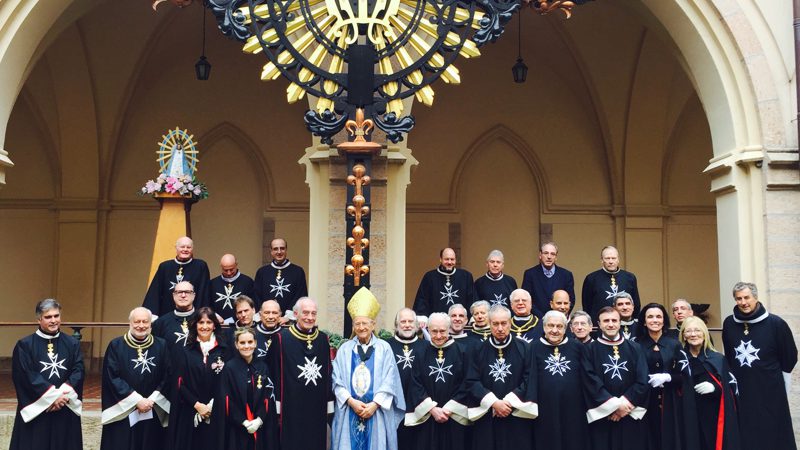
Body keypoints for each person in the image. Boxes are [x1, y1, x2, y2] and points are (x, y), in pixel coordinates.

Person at [722, 282, 797, 450]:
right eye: (738, 298)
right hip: (742, 389)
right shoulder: (729, 324)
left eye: (747, 297)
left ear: (755, 297)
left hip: (770, 390)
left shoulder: (775, 323)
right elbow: (729, 356)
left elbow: (790, 356)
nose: (743, 302)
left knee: (772, 430)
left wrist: (773, 377)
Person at [332, 287, 405, 450]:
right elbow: (336, 380)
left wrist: (374, 405)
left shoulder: (384, 348)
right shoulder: (344, 349)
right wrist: (351, 402)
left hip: (376, 413)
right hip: (350, 412)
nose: (361, 327)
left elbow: (390, 380)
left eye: (365, 323)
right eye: (357, 323)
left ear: (373, 325)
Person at [10, 299, 84, 450]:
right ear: (39, 319)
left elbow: (79, 370)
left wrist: (63, 395)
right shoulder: (25, 345)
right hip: (38, 410)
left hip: (65, 407)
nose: (54, 320)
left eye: (56, 316)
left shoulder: (72, 343)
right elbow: (25, 375)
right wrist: (52, 397)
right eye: (48, 317)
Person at [465, 305, 537, 450]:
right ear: (489, 324)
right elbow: (471, 380)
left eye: (504, 323)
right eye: (495, 323)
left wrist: (508, 402)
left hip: (517, 414)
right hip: (487, 415)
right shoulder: (477, 350)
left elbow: (530, 378)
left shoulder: (525, 348)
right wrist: (494, 403)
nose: (500, 328)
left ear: (510, 323)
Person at [100, 307, 170, 450]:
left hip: (153, 407)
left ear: (151, 324)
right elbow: (111, 377)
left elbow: (168, 374)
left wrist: (152, 399)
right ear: (130, 323)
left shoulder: (161, 345)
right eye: (137, 321)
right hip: (124, 409)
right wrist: (137, 400)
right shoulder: (116, 345)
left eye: (145, 321)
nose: (141, 325)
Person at [270, 297, 333, 450]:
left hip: (316, 406)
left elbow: (328, 373)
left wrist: (329, 405)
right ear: (296, 314)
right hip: (291, 407)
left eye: (313, 313)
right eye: (305, 313)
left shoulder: (323, 339)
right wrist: (277, 407)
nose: (310, 317)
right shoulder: (280, 338)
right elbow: (274, 374)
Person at [583, 306, 649, 450]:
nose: (611, 324)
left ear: (620, 323)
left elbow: (643, 380)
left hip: (629, 414)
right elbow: (589, 380)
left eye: (614, 320)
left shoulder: (635, 348)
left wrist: (624, 405)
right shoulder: (589, 350)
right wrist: (613, 406)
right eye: (606, 321)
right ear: (599, 324)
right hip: (603, 416)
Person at [404, 313, 470, 450]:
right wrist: (432, 409)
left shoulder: (463, 352)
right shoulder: (420, 352)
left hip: (455, 417)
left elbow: (468, 382)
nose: (438, 336)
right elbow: (415, 384)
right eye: (434, 331)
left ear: (449, 328)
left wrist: (449, 409)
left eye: (442, 331)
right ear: (427, 329)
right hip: (428, 417)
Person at [167, 307, 229, 450]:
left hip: (217, 411)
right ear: (195, 325)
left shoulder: (225, 350)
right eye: (201, 322)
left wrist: (211, 406)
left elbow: (228, 381)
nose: (205, 326)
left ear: (214, 325)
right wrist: (197, 405)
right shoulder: (185, 350)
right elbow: (179, 383)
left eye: (209, 322)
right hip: (190, 412)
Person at [679, 316, 741, 450]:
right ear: (683, 335)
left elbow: (730, 389)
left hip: (712, 416)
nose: (693, 334)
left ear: (704, 334)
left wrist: (716, 388)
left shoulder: (718, 359)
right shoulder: (678, 359)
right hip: (686, 414)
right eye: (688, 331)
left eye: (697, 330)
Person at [531, 310, 590, 450]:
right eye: (550, 326)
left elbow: (587, 377)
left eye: (559, 326)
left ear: (566, 328)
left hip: (574, 409)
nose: (554, 330)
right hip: (544, 409)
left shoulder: (578, 348)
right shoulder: (532, 348)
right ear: (544, 327)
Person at [220, 327, 278, 450]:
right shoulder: (229, 368)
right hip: (237, 428)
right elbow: (226, 399)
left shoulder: (263, 367)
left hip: (259, 427)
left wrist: (259, 420)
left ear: (255, 343)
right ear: (236, 344)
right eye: (242, 342)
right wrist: (243, 421)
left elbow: (268, 396)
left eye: (250, 342)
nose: (247, 346)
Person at [634, 303, 682, 450]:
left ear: (664, 320)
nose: (655, 320)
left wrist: (669, 377)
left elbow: (684, 374)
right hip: (644, 402)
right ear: (643, 321)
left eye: (658, 317)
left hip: (670, 400)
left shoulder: (675, 344)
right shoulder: (636, 345)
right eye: (650, 317)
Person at [387, 308, 427, 450]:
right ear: (396, 325)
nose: (407, 325)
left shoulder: (426, 346)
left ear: (417, 325)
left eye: (411, 321)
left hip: (420, 409)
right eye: (403, 321)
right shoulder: (386, 346)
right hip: (394, 408)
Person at [143, 236, 211, 317]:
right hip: (167, 314)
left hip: (193, 315)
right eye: (182, 247)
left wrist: (200, 315)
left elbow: (203, 293)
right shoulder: (165, 267)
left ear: (192, 249)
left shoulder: (200, 266)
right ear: (176, 248)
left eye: (188, 247)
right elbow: (155, 293)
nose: (185, 249)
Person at [412, 247, 476, 324]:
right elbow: (422, 300)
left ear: (455, 260)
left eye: (452, 259)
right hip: (436, 325)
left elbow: (471, 300)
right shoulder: (430, 277)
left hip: (460, 325)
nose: (449, 262)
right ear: (440, 259)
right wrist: (422, 319)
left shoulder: (466, 276)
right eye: (446, 259)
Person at [581, 246, 641, 322]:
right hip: (600, 325)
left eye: (613, 258)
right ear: (602, 260)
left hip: (625, 323)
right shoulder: (591, 279)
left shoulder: (630, 277)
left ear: (618, 259)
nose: (611, 261)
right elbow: (587, 306)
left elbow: (636, 304)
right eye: (607, 258)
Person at [253, 238, 308, 317]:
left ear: (286, 250)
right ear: (271, 251)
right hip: (267, 319)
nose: (279, 252)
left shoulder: (298, 271)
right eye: (275, 249)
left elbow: (301, 296)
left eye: (282, 248)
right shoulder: (262, 272)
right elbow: (257, 297)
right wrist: (266, 314)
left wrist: (288, 317)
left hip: (289, 321)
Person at [521, 242, 575, 318]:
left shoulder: (566, 275)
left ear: (556, 257)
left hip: (559, 320)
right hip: (537, 320)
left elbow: (571, 300)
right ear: (540, 255)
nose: (549, 257)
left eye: (552, 254)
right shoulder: (530, 274)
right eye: (546, 253)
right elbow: (527, 299)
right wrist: (543, 318)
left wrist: (560, 316)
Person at [151, 281, 197, 349]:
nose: (183, 295)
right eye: (179, 292)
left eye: (187, 292)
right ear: (174, 295)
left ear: (193, 295)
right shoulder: (160, 323)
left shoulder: (203, 320)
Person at [209, 254, 254, 323]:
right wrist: (215, 316)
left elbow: (252, 306)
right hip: (218, 325)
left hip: (241, 325)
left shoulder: (248, 282)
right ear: (221, 267)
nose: (229, 273)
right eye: (225, 270)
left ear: (236, 265)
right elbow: (207, 304)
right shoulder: (212, 283)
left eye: (231, 269)